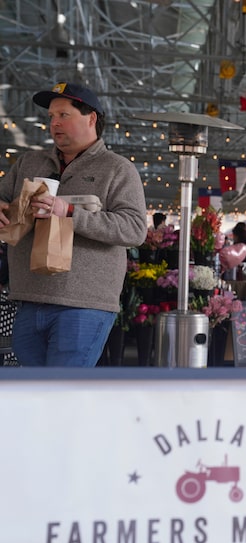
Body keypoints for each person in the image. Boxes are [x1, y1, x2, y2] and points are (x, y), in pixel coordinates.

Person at [0, 82, 146, 366]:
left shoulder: (117, 169)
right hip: (28, 298)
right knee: (34, 394)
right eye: (51, 117)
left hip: (84, 305)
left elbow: (134, 229)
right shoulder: (29, 163)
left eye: (63, 115)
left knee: (64, 395)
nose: (54, 123)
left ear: (91, 118)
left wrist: (69, 212)